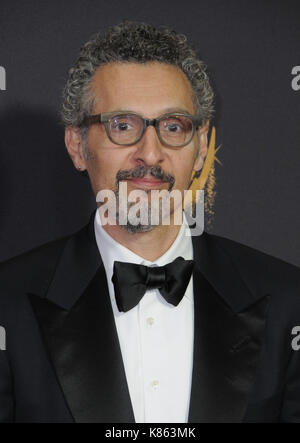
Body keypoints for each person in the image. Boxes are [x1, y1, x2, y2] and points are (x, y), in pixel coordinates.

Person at [0, 20, 300, 423]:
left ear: (201, 148)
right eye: (123, 126)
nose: (150, 154)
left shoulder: (288, 302)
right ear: (77, 145)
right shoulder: (7, 303)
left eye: (173, 127)